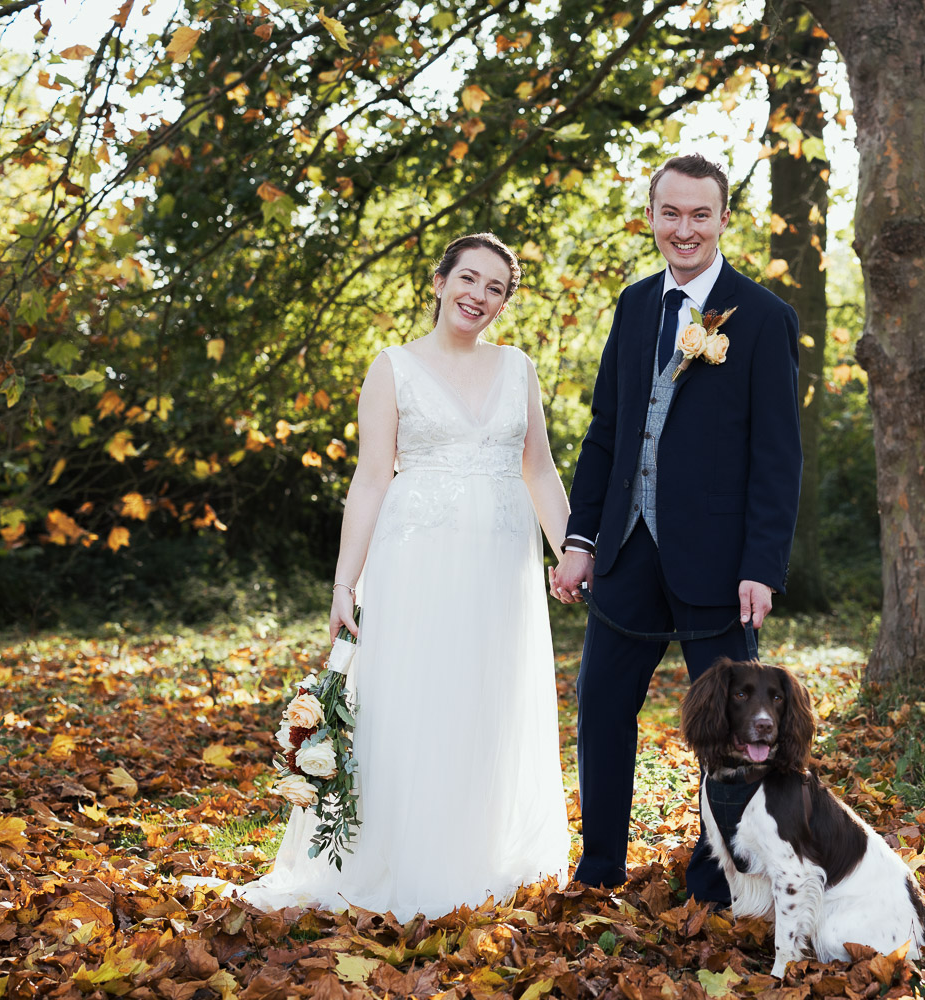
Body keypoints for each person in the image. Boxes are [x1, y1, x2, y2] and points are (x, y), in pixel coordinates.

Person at [223, 234, 572, 920]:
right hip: (416, 562)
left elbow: (538, 469)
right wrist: (344, 585)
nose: (478, 295)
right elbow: (371, 476)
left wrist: (572, 553)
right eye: (467, 278)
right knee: (416, 698)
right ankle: (403, 861)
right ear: (440, 282)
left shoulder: (519, 369)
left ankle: (478, 852)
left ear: (505, 301)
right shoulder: (393, 368)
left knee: (487, 700)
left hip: (502, 565)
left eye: (495, 287)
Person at [549, 153, 802, 904]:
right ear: (652, 217)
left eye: (700, 214)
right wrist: (581, 539)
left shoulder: (764, 317)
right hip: (627, 552)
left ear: (725, 219)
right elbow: (606, 434)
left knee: (730, 730)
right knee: (600, 707)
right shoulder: (632, 307)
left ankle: (714, 877)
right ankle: (599, 868)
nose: (683, 228)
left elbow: (778, 456)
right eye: (671, 213)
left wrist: (762, 563)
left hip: (721, 562)